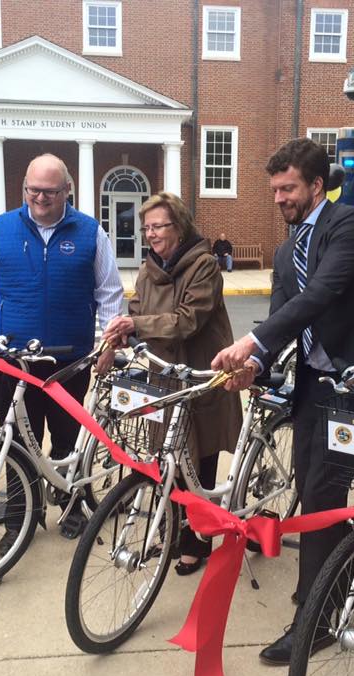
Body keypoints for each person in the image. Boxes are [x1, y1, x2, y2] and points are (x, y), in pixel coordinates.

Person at [211, 138, 354, 664]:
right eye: (274, 190)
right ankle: (347, 579)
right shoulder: (286, 251)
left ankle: (316, 617)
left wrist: (249, 342)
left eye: (288, 188)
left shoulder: (350, 225)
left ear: (316, 185)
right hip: (315, 385)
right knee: (310, 487)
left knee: (324, 492)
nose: (279, 198)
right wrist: (256, 365)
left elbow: (319, 295)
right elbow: (284, 317)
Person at [0, 153, 122, 552]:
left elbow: (109, 294)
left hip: (70, 362)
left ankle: (71, 506)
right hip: (14, 362)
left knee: (67, 438)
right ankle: (20, 518)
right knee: (17, 441)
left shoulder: (90, 233)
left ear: (67, 190)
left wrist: (108, 344)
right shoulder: (1, 229)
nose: (40, 198)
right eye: (33, 190)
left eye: (50, 191)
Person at [102, 191, 242, 575]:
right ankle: (172, 532)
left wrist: (136, 324)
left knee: (199, 460)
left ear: (178, 227)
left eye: (158, 226)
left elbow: (186, 320)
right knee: (167, 460)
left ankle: (198, 542)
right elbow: (136, 309)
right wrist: (122, 334)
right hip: (163, 375)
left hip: (198, 375)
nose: (151, 234)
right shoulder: (149, 269)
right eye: (146, 228)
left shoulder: (204, 266)